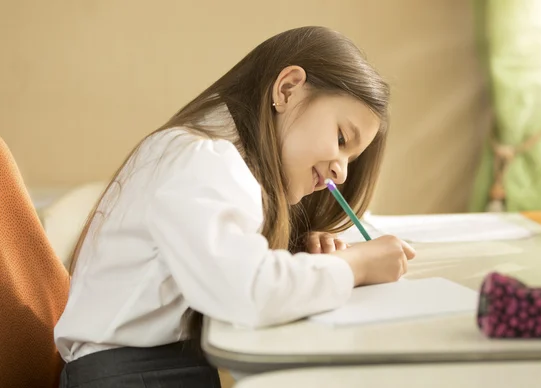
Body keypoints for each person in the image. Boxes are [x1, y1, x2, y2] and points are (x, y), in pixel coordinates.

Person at [55, 26, 416, 388]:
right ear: (287, 89)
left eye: (351, 157)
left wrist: (304, 256)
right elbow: (249, 292)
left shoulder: (205, 157)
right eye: (341, 138)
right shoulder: (202, 159)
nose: (342, 169)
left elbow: (231, 272)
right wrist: (356, 265)